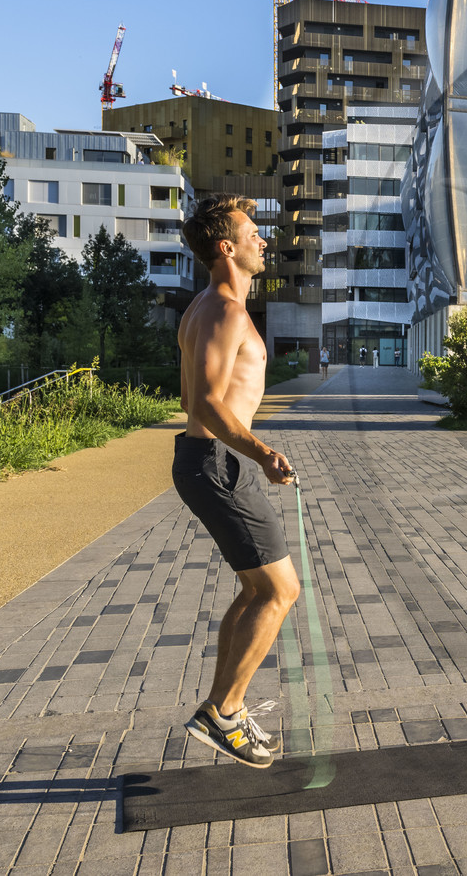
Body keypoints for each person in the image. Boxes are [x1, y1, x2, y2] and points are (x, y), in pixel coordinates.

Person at [173, 195, 298, 769]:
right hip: (216, 462)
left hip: (209, 461)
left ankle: (226, 708)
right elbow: (206, 403)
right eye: (253, 233)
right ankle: (224, 713)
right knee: (279, 591)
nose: (263, 241)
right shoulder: (224, 310)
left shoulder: (204, 306)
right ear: (227, 247)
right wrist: (263, 452)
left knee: (256, 590)